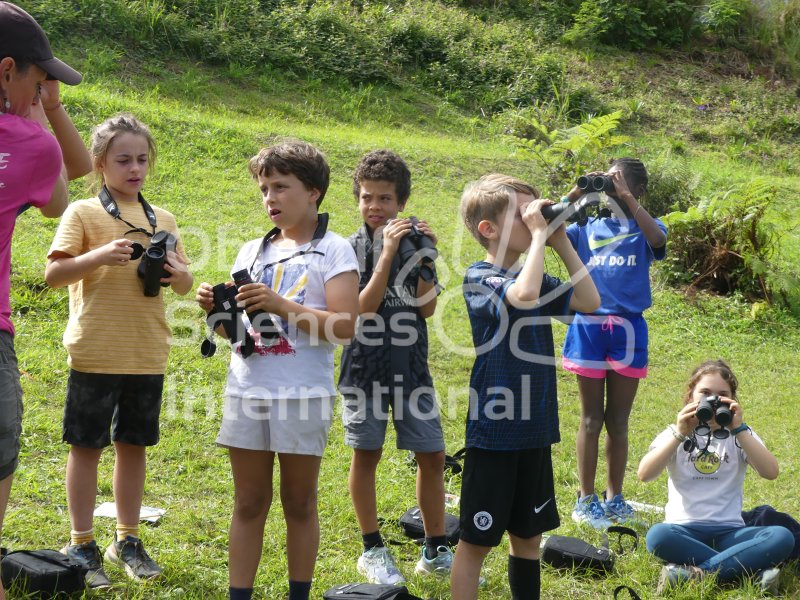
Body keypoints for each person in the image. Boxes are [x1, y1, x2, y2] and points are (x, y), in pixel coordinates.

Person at [196, 140, 358, 600]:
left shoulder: (336, 250)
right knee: (248, 503)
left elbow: (344, 328)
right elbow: (236, 334)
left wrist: (280, 303)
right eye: (265, 188)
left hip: (303, 394)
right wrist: (215, 310)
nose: (270, 198)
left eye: (281, 187)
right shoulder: (250, 250)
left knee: (299, 503)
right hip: (247, 389)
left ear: (314, 192)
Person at [45, 114, 193, 588]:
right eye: (124, 160)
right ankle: (82, 542)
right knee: (86, 446)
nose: (135, 169)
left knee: (135, 446)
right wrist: (98, 257)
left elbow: (186, 284)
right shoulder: (84, 213)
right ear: (99, 163)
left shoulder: (164, 219)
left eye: (143, 159)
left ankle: (127, 538)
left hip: (147, 351)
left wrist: (177, 273)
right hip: (95, 350)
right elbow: (55, 274)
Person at [451, 174, 600, 600]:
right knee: (477, 541)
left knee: (529, 539)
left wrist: (560, 243)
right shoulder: (480, 276)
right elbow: (522, 294)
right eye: (523, 213)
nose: (536, 219)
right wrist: (538, 239)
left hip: (534, 430)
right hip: (495, 432)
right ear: (489, 229)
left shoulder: (529, 272)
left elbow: (588, 301)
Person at [0, 3, 89, 599]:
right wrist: (43, 114)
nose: (43, 88)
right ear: (8, 71)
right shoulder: (29, 141)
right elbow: (63, 196)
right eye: (39, 77)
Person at [338, 150, 450, 583]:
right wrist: (387, 255)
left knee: (433, 454)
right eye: (367, 197)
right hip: (364, 368)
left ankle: (436, 548)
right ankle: (372, 548)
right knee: (367, 453)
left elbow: (425, 309)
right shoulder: (349, 248)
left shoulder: (415, 242)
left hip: (412, 368)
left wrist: (425, 257)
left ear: (401, 202)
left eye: (385, 198)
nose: (375, 207)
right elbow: (361, 309)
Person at [560, 158, 667, 529]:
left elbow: (658, 239)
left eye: (618, 183)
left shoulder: (644, 229)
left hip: (629, 331)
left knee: (618, 421)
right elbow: (547, 224)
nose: (610, 190)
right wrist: (580, 190)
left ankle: (614, 495)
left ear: (638, 191)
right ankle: (585, 497)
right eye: (607, 182)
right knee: (591, 419)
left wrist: (625, 197)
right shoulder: (586, 228)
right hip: (588, 328)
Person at [638, 359, 794, 594]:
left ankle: (689, 576)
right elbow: (645, 474)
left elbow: (770, 472)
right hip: (682, 531)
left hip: (730, 531)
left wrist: (739, 430)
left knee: (781, 536)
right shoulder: (674, 433)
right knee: (658, 536)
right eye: (705, 393)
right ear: (691, 396)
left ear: (733, 400)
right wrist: (680, 433)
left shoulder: (740, 435)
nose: (713, 400)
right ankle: (751, 573)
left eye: (722, 395)